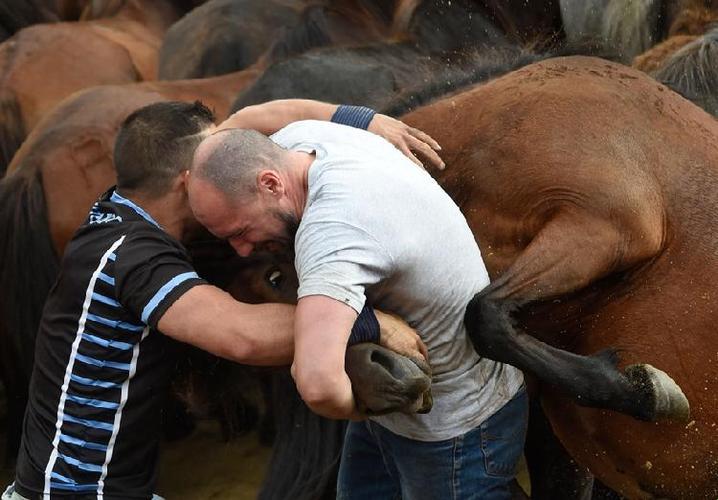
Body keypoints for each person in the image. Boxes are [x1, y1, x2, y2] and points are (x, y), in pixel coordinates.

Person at [4, 100, 438, 500]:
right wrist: (369, 321)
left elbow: (258, 113)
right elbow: (240, 335)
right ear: (188, 182)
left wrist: (364, 119)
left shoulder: (114, 216)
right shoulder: (135, 259)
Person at [187, 118, 527, 499]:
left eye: (240, 231)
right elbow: (265, 110)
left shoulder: (332, 232)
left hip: (454, 426)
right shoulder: (300, 139)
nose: (242, 250)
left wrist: (359, 408)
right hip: (399, 403)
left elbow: (318, 385)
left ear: (270, 184)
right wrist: (365, 117)